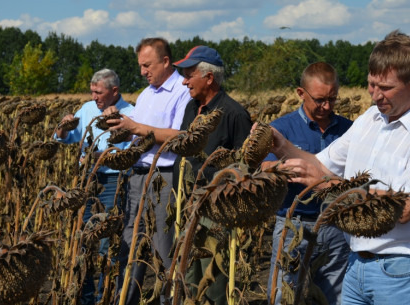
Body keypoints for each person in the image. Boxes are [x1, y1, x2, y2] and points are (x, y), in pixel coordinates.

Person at [268, 30, 410, 305]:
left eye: (386, 88)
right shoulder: (371, 119)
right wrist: (281, 146)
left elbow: (403, 208)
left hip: (404, 273)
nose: (374, 96)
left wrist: (328, 185)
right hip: (357, 266)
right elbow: (320, 164)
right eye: (371, 85)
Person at [105, 37, 191, 305]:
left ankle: (168, 299)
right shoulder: (145, 95)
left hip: (164, 179)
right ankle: (126, 300)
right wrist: (118, 127)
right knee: (131, 243)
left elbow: (180, 137)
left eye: (147, 65)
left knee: (164, 245)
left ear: (166, 61)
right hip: (138, 176)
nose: (143, 71)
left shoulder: (182, 91)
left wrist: (135, 128)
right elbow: (136, 137)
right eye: (140, 66)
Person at [263, 62, 352, 305]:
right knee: (284, 294)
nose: (326, 106)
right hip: (294, 226)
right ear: (301, 93)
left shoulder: (349, 130)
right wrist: (281, 168)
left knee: (334, 296)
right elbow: (262, 168)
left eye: (332, 99)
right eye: (320, 99)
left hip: (336, 227)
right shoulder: (281, 128)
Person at [172, 45, 253, 304]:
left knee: (214, 280)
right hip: (187, 205)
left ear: (209, 78)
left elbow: (245, 169)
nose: (184, 81)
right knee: (187, 277)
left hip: (217, 213)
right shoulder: (191, 109)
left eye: (189, 74)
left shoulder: (234, 114)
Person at [53, 68, 134, 305]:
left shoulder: (131, 113)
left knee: (107, 245)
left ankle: (104, 297)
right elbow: (63, 137)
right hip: (88, 182)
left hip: (114, 182)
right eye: (92, 92)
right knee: (83, 242)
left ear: (114, 91)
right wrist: (63, 125)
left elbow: (132, 153)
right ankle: (85, 298)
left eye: (98, 92)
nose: (94, 97)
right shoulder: (87, 109)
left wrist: (102, 155)